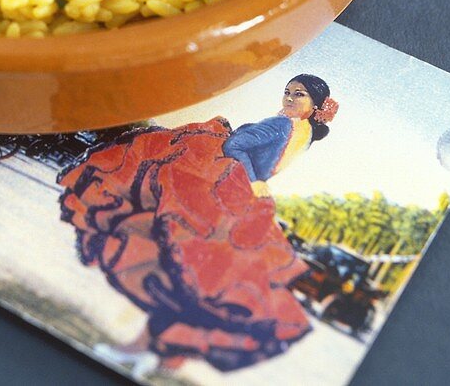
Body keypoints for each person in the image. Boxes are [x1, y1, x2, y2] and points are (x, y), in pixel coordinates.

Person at [59, 74, 339, 373]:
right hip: (231, 194)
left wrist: (255, 181)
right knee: (192, 273)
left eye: (299, 94)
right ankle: (152, 351)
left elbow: (243, 148)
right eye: (287, 92)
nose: (290, 98)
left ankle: (156, 351)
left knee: (194, 276)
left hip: (234, 198)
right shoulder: (289, 127)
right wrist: (254, 179)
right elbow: (237, 145)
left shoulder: (296, 130)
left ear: (316, 106)